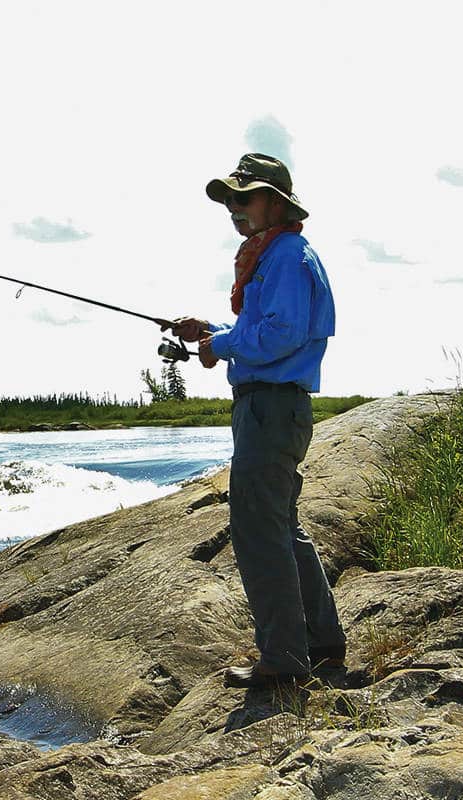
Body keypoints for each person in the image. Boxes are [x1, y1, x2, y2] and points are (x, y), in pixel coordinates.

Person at [167, 153, 346, 688]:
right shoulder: (277, 254)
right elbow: (264, 326)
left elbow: (282, 334)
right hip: (270, 406)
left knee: (257, 532)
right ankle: (320, 643)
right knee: (281, 528)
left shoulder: (287, 255)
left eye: (244, 198)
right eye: (229, 200)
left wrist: (220, 344)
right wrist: (212, 328)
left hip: (270, 406)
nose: (234, 208)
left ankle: (285, 657)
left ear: (277, 201)